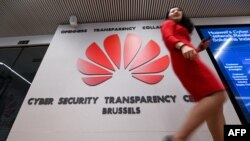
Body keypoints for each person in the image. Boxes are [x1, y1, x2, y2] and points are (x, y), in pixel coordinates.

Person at [161, 7, 227, 141]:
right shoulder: (168, 24)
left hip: (188, 59)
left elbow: (188, 49)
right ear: (168, 16)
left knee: (216, 107)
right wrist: (183, 46)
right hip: (185, 61)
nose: (175, 12)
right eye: (171, 11)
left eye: (178, 10)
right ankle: (179, 138)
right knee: (217, 95)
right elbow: (168, 38)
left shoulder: (183, 32)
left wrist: (199, 48)